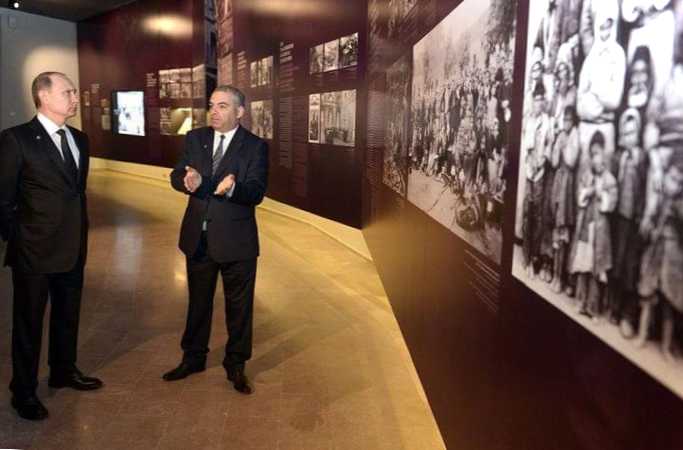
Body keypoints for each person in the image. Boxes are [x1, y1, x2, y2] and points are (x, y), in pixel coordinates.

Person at [0, 72, 103, 421]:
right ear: (43, 97)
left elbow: (75, 194)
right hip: (33, 252)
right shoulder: (16, 139)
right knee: (28, 324)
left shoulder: (80, 139)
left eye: (74, 91)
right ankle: (23, 390)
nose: (75, 98)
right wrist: (20, 239)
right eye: (67, 92)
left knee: (67, 315)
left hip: (72, 248)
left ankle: (63, 370)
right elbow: (3, 199)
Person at [163, 85, 268, 395]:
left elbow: (256, 192)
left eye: (223, 106)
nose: (214, 112)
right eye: (212, 105)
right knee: (198, 303)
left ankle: (236, 364)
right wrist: (185, 180)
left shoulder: (255, 146)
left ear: (240, 112)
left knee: (239, 308)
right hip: (198, 237)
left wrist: (233, 189)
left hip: (237, 241)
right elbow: (176, 174)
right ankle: (192, 358)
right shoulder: (196, 138)